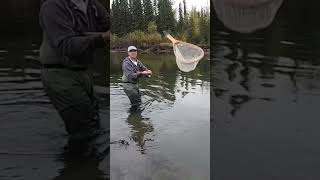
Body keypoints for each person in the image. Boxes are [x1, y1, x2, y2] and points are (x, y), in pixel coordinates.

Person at [39, 0, 110, 157]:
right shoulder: (52, 6)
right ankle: (78, 168)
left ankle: (86, 166)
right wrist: (102, 38)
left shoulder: (92, 5)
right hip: (59, 74)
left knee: (93, 126)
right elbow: (67, 46)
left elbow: (110, 24)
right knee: (84, 132)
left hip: (82, 73)